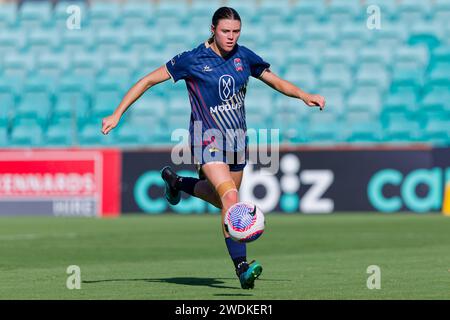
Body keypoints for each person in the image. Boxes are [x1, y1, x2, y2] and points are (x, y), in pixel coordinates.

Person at [102, 7, 325, 290]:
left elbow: (274, 80)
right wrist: (117, 114)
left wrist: (304, 95)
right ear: (212, 29)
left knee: (222, 201)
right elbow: (147, 80)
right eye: (225, 31)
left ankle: (177, 182)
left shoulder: (244, 56)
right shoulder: (192, 60)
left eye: (236, 31)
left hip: (237, 142)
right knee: (231, 197)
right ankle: (242, 268)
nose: (231, 37)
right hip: (206, 141)